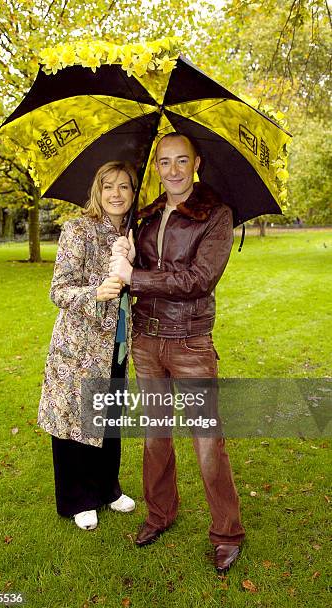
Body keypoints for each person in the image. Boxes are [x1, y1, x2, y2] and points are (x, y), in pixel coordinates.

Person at [109, 133, 245, 573]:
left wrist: (137, 278)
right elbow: (139, 270)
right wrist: (126, 256)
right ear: (157, 168)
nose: (172, 170)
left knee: (207, 441)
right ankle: (160, 513)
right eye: (165, 162)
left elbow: (199, 279)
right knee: (155, 436)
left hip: (189, 342)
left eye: (181, 161)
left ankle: (227, 532)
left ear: (196, 162)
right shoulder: (145, 215)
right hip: (146, 342)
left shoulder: (216, 215)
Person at [38, 161, 137, 531]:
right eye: (108, 186)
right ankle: (77, 498)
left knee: (108, 419)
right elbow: (58, 290)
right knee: (73, 421)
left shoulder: (133, 232)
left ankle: (108, 489)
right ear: (98, 191)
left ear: (132, 192)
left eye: (124, 187)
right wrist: (95, 293)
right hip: (79, 347)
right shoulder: (78, 230)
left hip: (118, 342)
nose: (116, 194)